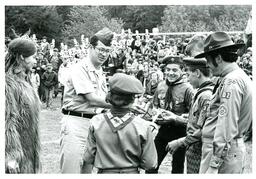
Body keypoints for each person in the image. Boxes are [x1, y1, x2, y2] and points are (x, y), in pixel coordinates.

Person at [194, 31, 252, 173]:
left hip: (223, 153)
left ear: (218, 58)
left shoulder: (231, 81)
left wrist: (214, 164)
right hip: (227, 150)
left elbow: (226, 125)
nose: (207, 65)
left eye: (208, 60)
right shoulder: (234, 77)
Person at [60, 27, 113, 173]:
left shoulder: (99, 70)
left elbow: (102, 100)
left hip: (93, 124)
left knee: (87, 170)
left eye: (107, 51)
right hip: (76, 123)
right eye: (100, 49)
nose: (104, 54)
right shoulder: (79, 68)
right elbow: (91, 99)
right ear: (90, 47)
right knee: (71, 171)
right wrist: (120, 105)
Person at [82, 73, 158, 173]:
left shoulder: (96, 122)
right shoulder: (143, 126)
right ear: (132, 100)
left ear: (109, 97)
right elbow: (150, 163)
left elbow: (88, 158)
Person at [146, 56, 194, 173]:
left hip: (180, 133)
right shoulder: (161, 86)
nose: (170, 73)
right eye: (168, 69)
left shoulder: (188, 89)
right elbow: (154, 106)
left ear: (182, 71)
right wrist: (153, 115)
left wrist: (175, 119)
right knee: (152, 165)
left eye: (174, 70)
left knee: (177, 168)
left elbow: (193, 116)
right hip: (163, 131)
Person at [165, 57, 214, 173]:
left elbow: (205, 128)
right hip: (194, 148)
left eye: (188, 74)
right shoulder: (200, 92)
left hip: (199, 148)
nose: (187, 79)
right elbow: (197, 118)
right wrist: (179, 117)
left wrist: (179, 142)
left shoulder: (206, 96)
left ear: (197, 73)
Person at [5, 38, 41, 173]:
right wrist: (11, 157)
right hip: (17, 156)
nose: (35, 60)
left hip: (30, 149)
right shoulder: (8, 84)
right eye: (33, 57)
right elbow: (8, 122)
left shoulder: (26, 79)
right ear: (22, 57)